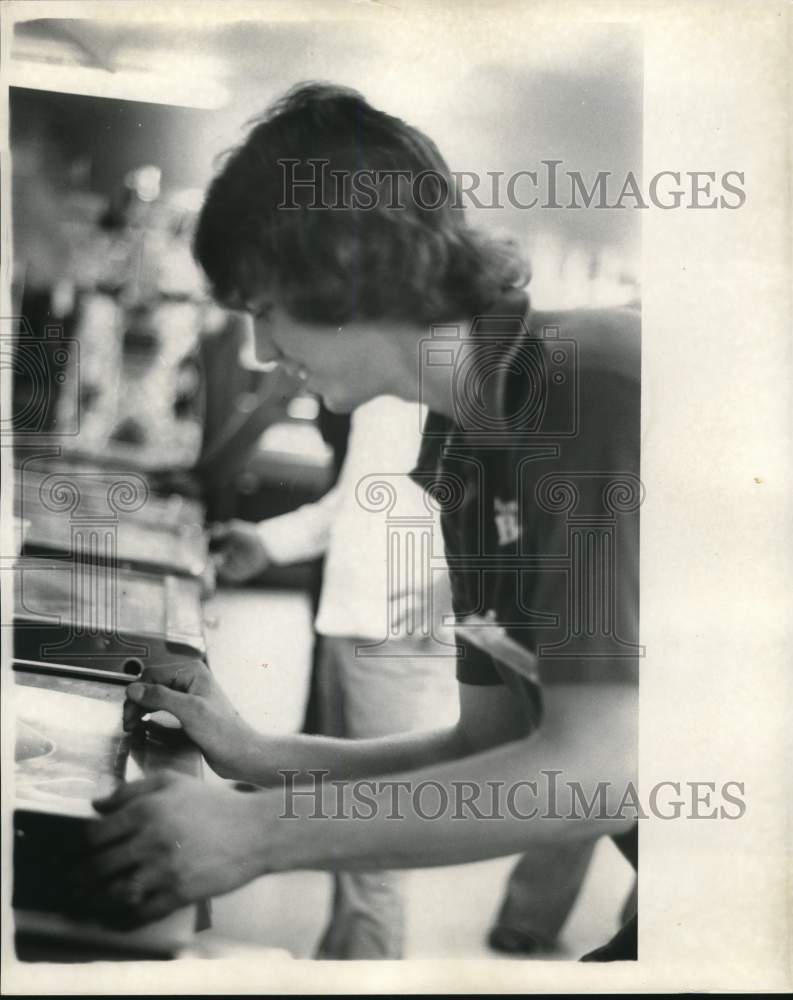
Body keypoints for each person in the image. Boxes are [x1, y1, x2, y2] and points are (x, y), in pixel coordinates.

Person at [78, 83, 641, 960]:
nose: (263, 349)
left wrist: (262, 835)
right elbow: (483, 745)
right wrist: (263, 758)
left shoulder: (587, 388)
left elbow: (597, 773)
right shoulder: (462, 445)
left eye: (264, 308)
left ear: (338, 271)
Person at [210, 393, 460, 959]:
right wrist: (269, 542)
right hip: (348, 619)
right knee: (349, 828)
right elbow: (351, 501)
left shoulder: (457, 373)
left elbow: (522, 486)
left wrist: (456, 588)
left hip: (402, 636)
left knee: (377, 845)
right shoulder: (379, 397)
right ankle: (339, 963)